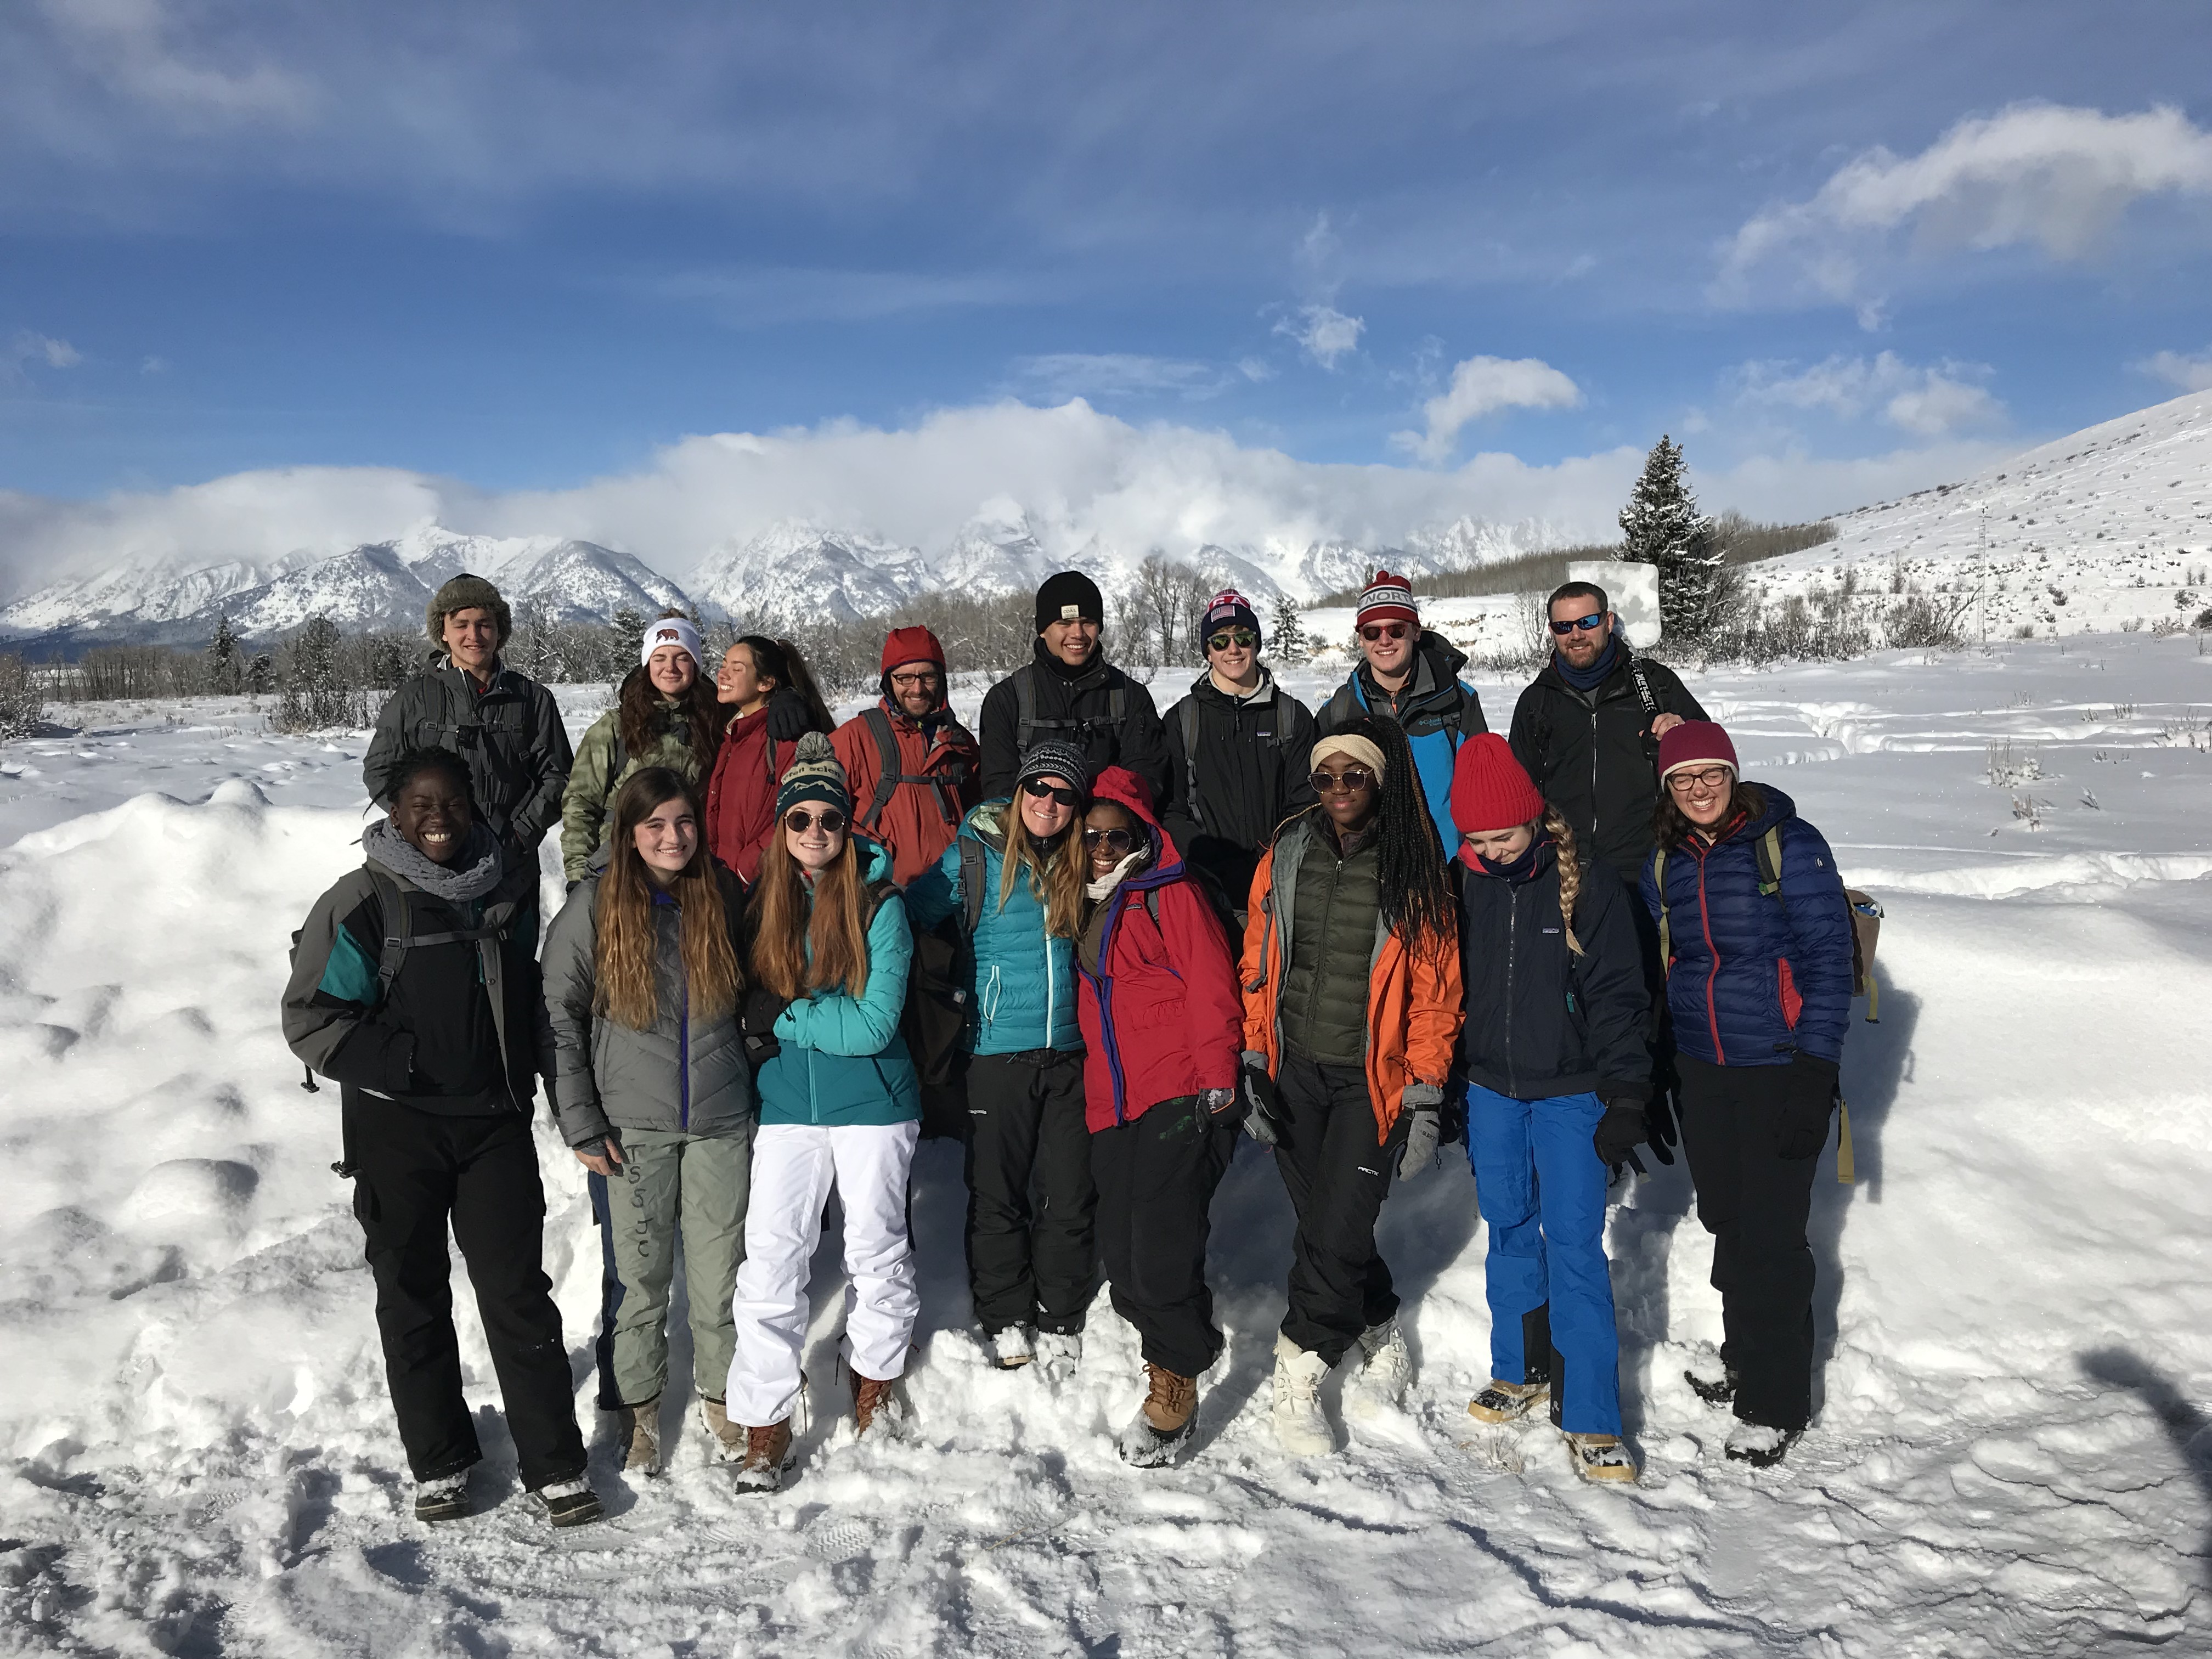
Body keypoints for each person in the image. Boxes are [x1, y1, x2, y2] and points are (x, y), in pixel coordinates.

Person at [281, 748, 601, 1529]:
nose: (438, 818)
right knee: (412, 1296)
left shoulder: (505, 887)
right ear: (393, 812)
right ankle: (440, 1461)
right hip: (397, 1132)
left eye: (452, 802)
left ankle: (555, 1464)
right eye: (421, 804)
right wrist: (409, 1064)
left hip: (494, 1127)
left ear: (473, 807)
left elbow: (527, 997)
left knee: (517, 1295)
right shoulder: (361, 903)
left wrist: (553, 1089)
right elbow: (312, 1019)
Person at [1237, 718, 1463, 1457]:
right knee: (1325, 1223)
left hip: (1374, 1080)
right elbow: (1259, 960)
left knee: (1337, 1229)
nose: (1339, 789)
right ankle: (1379, 1319)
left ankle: (1301, 1364)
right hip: (1294, 1070)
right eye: (1326, 777)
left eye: (1354, 775)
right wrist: (1253, 1056)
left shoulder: (1415, 865)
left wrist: (1425, 1092)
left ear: (1380, 781)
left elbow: (1435, 995)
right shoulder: (1287, 851)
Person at [1640, 720, 1854, 1468]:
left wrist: (1816, 1071)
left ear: (1733, 775)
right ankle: (1743, 1354)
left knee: (1771, 1236)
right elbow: (1668, 962)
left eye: (1712, 774)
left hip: (1778, 1064)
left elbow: (1830, 962)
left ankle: (1775, 1401)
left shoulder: (1787, 844)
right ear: (1667, 787)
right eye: (1683, 778)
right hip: (1703, 1067)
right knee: (1728, 1217)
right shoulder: (1666, 857)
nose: (1699, 789)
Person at [1449, 734, 1651, 1485]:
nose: (1493, 851)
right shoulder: (1462, 882)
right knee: (1507, 1228)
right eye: (1478, 840)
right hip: (1491, 1090)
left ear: (1532, 818)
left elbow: (1620, 996)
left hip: (1571, 1091)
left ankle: (1591, 1412)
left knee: (1572, 1242)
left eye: (1503, 835)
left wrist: (1626, 1093)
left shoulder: (1587, 884)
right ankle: (1520, 1368)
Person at [542, 768, 755, 1476]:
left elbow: (758, 989)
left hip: (720, 1119)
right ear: (629, 834)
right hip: (631, 1126)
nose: (673, 837)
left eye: (684, 822)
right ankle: (636, 1411)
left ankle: (723, 1396)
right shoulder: (595, 905)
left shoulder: (721, 892)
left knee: (721, 1276)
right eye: (655, 825)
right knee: (639, 1281)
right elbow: (558, 1016)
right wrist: (580, 1121)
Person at [725, 734, 921, 1492]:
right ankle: (766, 1417)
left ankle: (876, 1379)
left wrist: (784, 1016)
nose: (815, 831)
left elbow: (872, 1026)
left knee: (875, 1248)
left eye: (829, 819)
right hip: (787, 1107)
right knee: (771, 1259)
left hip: (873, 1102)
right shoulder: (760, 904)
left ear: (847, 825)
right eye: (800, 818)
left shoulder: (880, 904)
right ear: (782, 826)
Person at [905, 740, 1094, 1375]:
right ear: (1019, 792)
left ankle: (1061, 1313)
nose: (1049, 802)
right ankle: (1006, 1315)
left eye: (1064, 794)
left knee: (1068, 1193)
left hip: (1070, 1053)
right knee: (997, 1193)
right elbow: (912, 913)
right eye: (1039, 787)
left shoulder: (1084, 860)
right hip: (993, 1050)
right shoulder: (974, 856)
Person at [1074, 766, 1244, 1468]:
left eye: (1117, 837)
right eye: (1092, 836)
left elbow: (1211, 985)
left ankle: (1178, 1376)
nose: (1103, 849)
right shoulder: (1084, 900)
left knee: (1161, 1245)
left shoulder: (1171, 894)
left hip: (1180, 1087)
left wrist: (1219, 1079)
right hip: (1114, 1097)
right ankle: (1170, 1344)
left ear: (1141, 836)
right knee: (1121, 1249)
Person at [363, 573, 573, 869]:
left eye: (485, 624)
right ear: (443, 632)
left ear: (499, 632)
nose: (474, 636)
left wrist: (522, 833)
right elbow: (380, 771)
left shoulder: (533, 699)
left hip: (511, 864)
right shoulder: (412, 700)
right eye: (461, 625)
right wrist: (419, 825)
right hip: (430, 862)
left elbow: (558, 776)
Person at [1507, 580, 1707, 883]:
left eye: (1587, 622)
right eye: (1563, 626)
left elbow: (1713, 764)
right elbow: (1519, 790)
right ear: (1552, 631)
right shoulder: (1537, 702)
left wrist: (1684, 737)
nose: (1576, 634)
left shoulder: (1655, 685)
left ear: (1608, 622)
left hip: (1649, 866)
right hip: (1565, 869)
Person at [1159, 588, 1317, 916]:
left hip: (1278, 884)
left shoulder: (1291, 717)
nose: (1233, 649)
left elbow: (1306, 802)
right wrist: (1207, 860)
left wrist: (1273, 859)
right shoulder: (1183, 720)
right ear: (1208, 652)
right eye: (1220, 641)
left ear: (1256, 644)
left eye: (1243, 638)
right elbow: (1172, 809)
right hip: (1206, 885)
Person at [1313, 571, 1486, 851]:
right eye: (1372, 632)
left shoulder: (1457, 700)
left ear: (1416, 632)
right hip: (1369, 864)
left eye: (1396, 630)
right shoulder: (1339, 710)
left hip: (1446, 861)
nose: (1384, 641)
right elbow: (1321, 795)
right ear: (1360, 639)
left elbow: (1482, 788)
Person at [561, 613, 729, 885]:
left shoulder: (716, 724)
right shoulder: (617, 726)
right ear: (647, 665)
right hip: (620, 868)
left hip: (690, 869)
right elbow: (580, 803)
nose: (670, 667)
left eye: (682, 658)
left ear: (696, 665)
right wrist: (581, 875)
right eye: (659, 658)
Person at [977, 572, 1169, 804]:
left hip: (1108, 824)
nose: (1078, 634)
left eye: (1088, 622)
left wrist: (1100, 816)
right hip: (1034, 823)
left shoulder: (1130, 696)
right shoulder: (1007, 700)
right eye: (1065, 623)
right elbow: (1000, 790)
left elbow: (1144, 779)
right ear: (1043, 629)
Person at [831, 625, 980, 887]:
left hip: (957, 894)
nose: (918, 688)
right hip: (886, 895)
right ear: (888, 682)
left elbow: (981, 814)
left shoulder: (960, 742)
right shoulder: (854, 739)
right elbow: (821, 815)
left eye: (928, 677)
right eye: (905, 678)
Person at [704, 635, 835, 884]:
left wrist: (747, 870)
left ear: (765, 683)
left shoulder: (784, 735)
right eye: (723, 665)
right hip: (724, 881)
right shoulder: (734, 734)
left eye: (737, 669)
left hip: (762, 884)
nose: (723, 674)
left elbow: (800, 812)